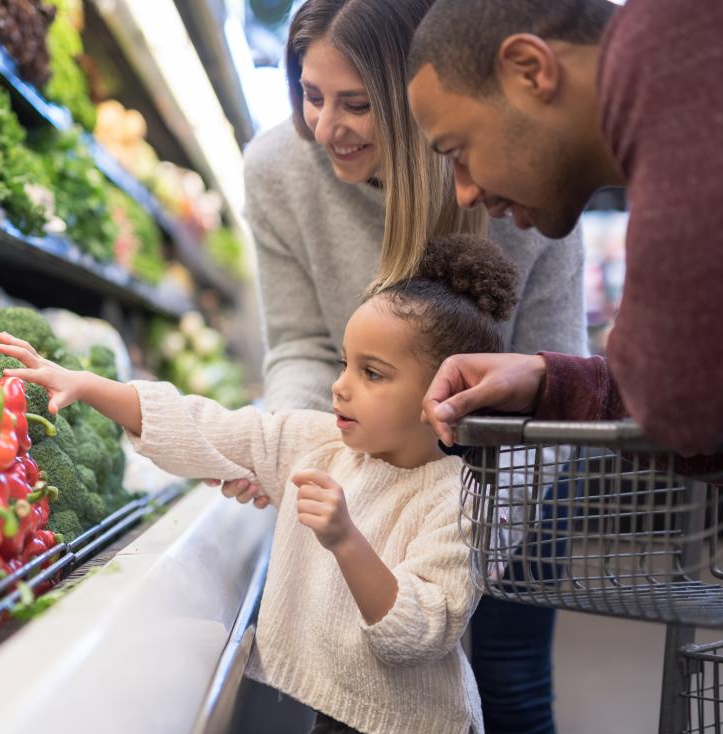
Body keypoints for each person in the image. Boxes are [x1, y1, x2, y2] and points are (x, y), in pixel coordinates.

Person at [0, 235, 520, 734]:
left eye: (372, 374)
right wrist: (87, 385)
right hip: (339, 711)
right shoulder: (318, 444)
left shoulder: (458, 499)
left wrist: (345, 539)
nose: (340, 386)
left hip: (415, 724)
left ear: (444, 395)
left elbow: (417, 633)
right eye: (344, 364)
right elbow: (208, 426)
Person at [230, 1, 588, 731]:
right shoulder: (278, 169)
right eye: (310, 93)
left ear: (415, 95)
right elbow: (301, 344)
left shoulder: (514, 176)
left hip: (509, 481)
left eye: (357, 103)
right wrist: (284, 445)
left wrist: (469, 544)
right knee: (362, 698)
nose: (327, 126)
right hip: (373, 481)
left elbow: (557, 382)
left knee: (509, 688)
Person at [406, 0, 723, 455]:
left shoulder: (685, 43)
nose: (465, 192)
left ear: (529, 70)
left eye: (457, 150)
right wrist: (550, 383)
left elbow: (685, 402)